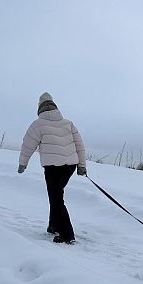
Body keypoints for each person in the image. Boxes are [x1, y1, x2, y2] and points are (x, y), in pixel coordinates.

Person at [18, 92, 87, 244]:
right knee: (57, 195)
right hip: (70, 166)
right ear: (55, 107)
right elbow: (79, 145)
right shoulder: (68, 123)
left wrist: (23, 163)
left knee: (56, 199)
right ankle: (53, 225)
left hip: (53, 167)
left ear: (40, 109)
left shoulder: (38, 124)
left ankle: (66, 234)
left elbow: (28, 145)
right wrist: (81, 166)